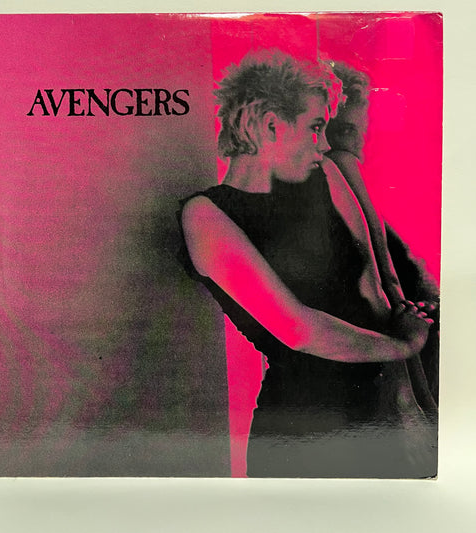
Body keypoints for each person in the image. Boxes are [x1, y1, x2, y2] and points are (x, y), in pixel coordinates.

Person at [177, 51, 436, 478]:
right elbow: (300, 330)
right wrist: (406, 346)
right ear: (270, 126)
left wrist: (415, 404)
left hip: (381, 417)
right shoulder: (205, 216)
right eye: (316, 127)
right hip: (299, 434)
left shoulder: (326, 175)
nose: (325, 144)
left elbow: (379, 289)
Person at [326, 62, 439, 411]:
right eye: (347, 129)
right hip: (405, 317)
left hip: (405, 315)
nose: (358, 138)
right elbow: (384, 264)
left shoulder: (341, 168)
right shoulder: (342, 162)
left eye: (360, 126)